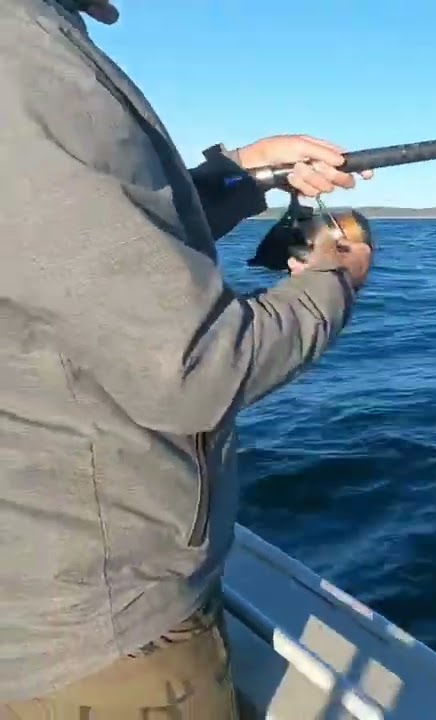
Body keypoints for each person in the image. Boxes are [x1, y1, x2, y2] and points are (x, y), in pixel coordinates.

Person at [1, 0, 375, 715]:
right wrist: (334, 280)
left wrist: (244, 173)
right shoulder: (22, 68)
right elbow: (196, 367)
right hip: (96, 628)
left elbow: (79, 229)